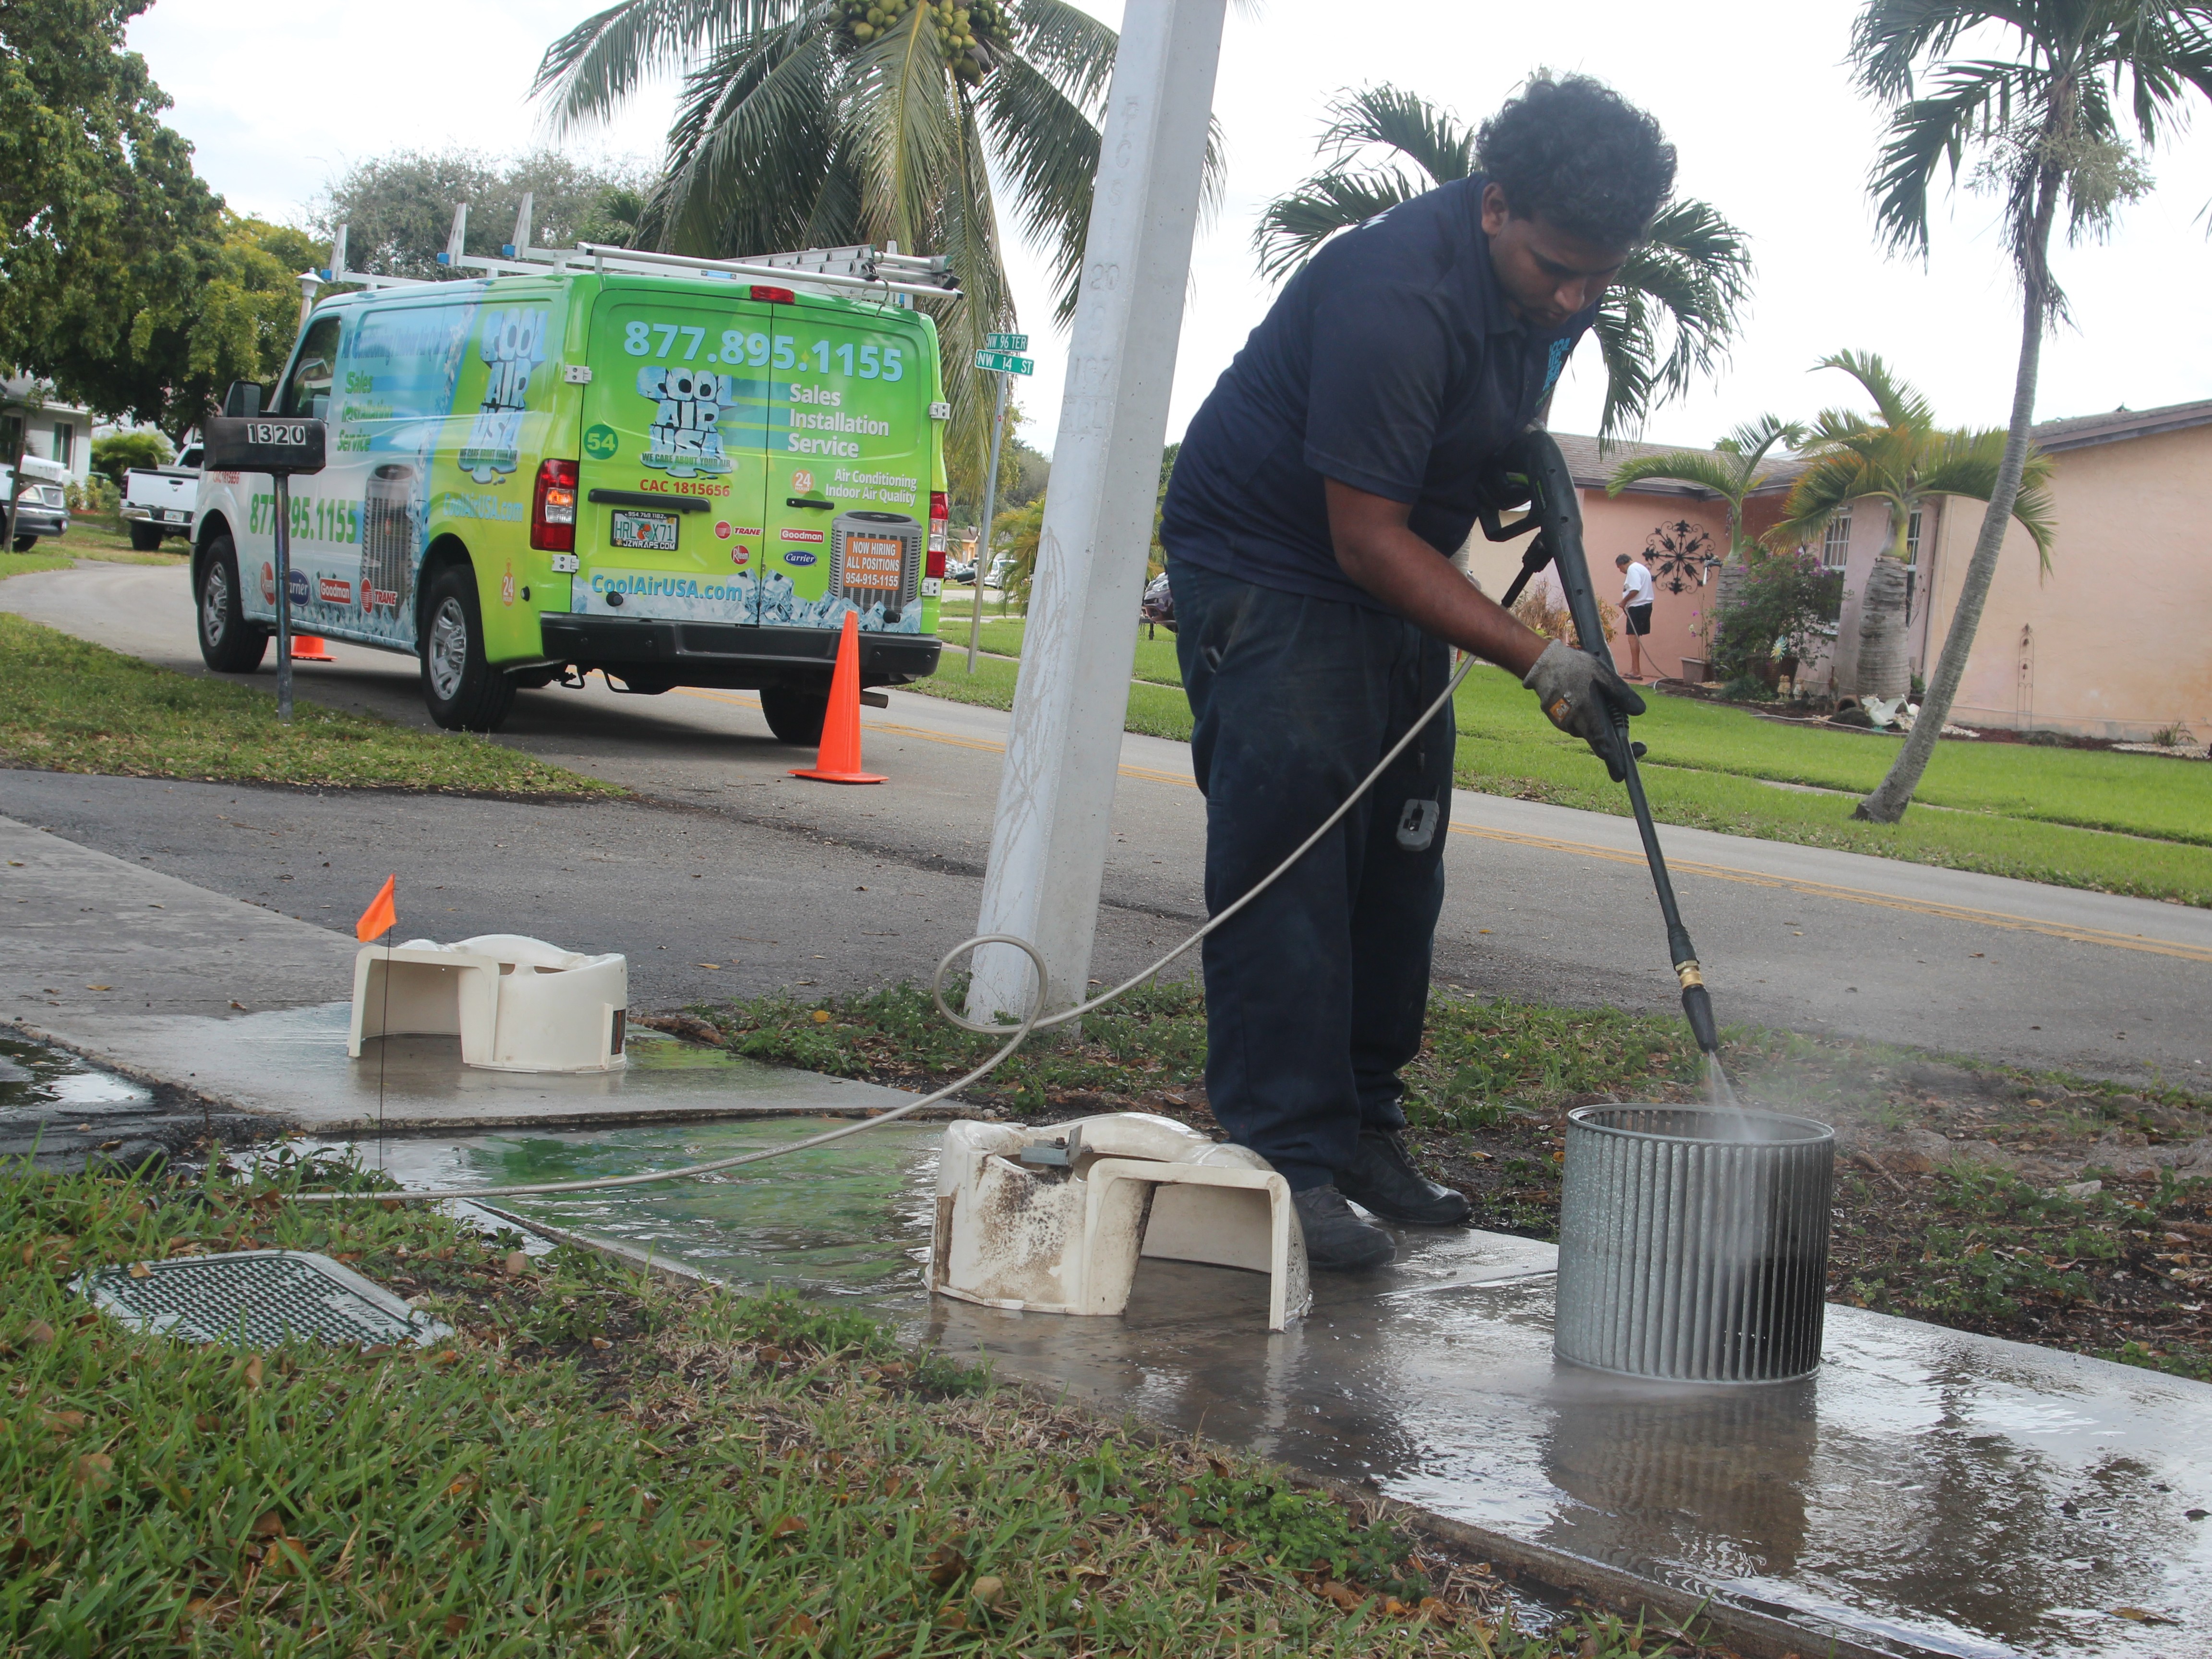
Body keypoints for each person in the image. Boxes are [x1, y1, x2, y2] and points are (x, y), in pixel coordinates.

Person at [1158, 72, 1669, 1269]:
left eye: (1601, 275)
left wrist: (1509, 468)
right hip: (1277, 573)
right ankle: (1280, 1158)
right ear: (1494, 208)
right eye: (1556, 268)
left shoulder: (1553, 283)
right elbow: (1361, 537)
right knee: (1290, 871)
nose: (1576, 298)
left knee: (1398, 869)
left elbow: (1481, 425)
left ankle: (1362, 1131)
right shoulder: (1393, 290)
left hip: (1396, 568)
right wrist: (1546, 660)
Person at [1617, 552, 1656, 678]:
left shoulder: (1633, 570)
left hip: (1638, 608)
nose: (1621, 572)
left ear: (1622, 564)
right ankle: (1635, 669)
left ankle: (1636, 671)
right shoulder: (1641, 568)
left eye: (1620, 568)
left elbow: (1635, 589)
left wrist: (1624, 601)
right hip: (1644, 606)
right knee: (1634, 637)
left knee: (1632, 638)